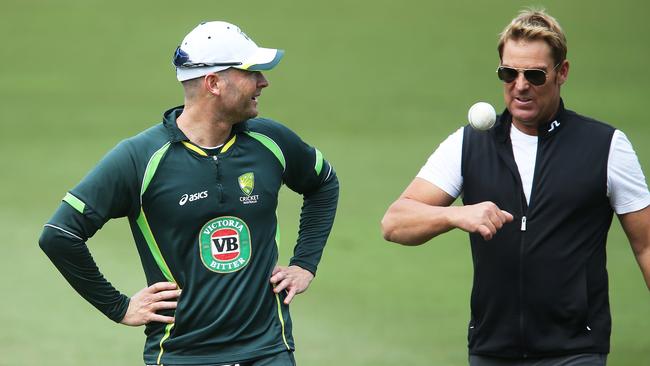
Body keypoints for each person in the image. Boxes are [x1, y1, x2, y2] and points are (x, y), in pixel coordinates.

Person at [39, 21, 339, 366]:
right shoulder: (140, 158)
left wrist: (305, 263)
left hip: (269, 351)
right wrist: (117, 306)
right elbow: (60, 235)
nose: (263, 81)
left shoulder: (270, 142)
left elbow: (323, 184)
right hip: (182, 356)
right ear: (213, 83)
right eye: (250, 72)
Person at [381, 9, 650, 366]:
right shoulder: (470, 145)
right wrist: (456, 214)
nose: (520, 85)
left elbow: (646, 246)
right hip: (492, 350)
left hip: (575, 352)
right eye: (509, 73)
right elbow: (395, 222)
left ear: (562, 73)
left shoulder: (605, 146)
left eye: (535, 75)